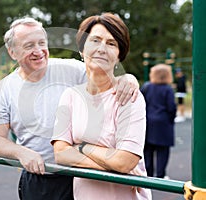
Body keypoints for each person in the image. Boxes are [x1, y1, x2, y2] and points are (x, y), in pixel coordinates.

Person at [0, 17, 140, 200]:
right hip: (39, 177)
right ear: (12, 52)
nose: (38, 51)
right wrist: (21, 152)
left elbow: (105, 72)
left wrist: (128, 78)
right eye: (29, 46)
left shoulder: (72, 69)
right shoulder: (4, 89)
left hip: (79, 173)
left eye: (42, 43)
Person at [51, 12, 151, 200]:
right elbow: (61, 153)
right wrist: (112, 165)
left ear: (119, 55)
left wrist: (82, 147)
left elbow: (125, 161)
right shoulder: (70, 96)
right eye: (95, 40)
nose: (102, 49)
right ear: (82, 49)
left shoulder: (129, 96)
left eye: (111, 43)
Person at [141, 64, 176, 178]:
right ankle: (160, 175)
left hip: (148, 122)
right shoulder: (168, 89)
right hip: (163, 123)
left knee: (147, 151)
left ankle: (148, 174)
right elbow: (171, 107)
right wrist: (170, 120)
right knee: (163, 151)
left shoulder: (147, 87)